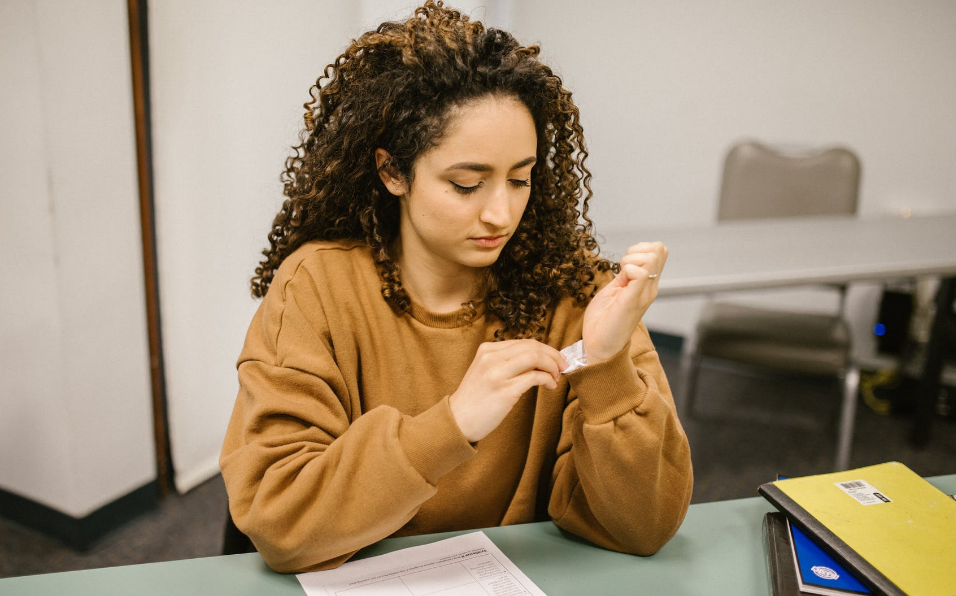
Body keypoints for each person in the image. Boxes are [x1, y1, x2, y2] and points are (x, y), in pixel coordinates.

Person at [220, 0, 693, 573]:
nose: (501, 213)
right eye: (467, 184)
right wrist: (454, 424)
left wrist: (608, 364)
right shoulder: (316, 287)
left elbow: (644, 528)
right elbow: (282, 521)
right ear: (393, 172)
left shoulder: (576, 292)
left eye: (521, 179)